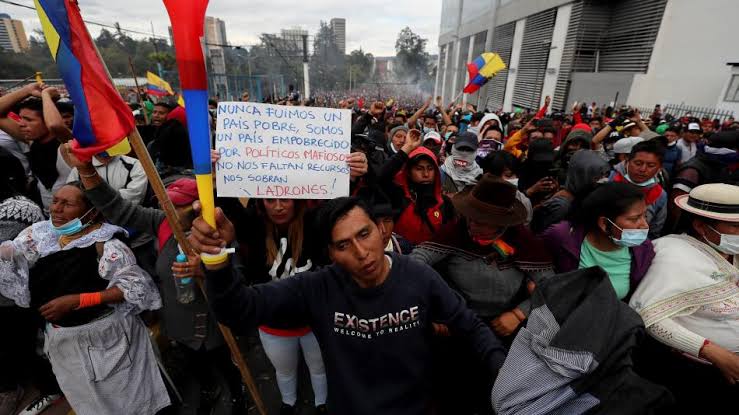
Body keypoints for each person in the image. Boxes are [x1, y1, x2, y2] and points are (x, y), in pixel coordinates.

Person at [188, 196, 508, 415]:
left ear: (381, 230)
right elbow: (238, 310)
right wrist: (218, 258)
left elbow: (470, 326)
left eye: (364, 234)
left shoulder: (419, 277)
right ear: (331, 254)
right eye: (344, 244)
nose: (361, 251)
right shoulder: (317, 287)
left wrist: (507, 377)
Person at [61, 148, 248, 414]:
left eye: (178, 204)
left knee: (227, 363)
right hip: (179, 321)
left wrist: (208, 271)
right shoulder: (163, 223)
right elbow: (118, 208)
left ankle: (238, 393)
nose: (169, 209)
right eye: (167, 203)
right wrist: (87, 172)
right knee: (196, 364)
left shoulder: (217, 234)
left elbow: (239, 279)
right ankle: (208, 390)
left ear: (198, 206)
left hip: (215, 324)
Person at [0, 183, 168, 415]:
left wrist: (79, 300)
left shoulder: (105, 243)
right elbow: (10, 252)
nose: (56, 209)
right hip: (63, 342)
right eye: (55, 201)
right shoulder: (41, 235)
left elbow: (135, 286)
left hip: (108, 340)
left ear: (92, 211)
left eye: (67, 204)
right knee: (92, 404)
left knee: (128, 402)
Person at [629, 183, 739, 411]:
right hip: (702, 374)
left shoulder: (731, 251)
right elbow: (648, 314)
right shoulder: (674, 256)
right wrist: (715, 353)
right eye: (735, 226)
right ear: (700, 225)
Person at [411, 174, 554, 338]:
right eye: (469, 217)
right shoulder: (456, 231)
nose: (471, 224)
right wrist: (438, 304)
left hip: (507, 324)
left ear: (500, 222)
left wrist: (519, 314)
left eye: (479, 221)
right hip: (458, 316)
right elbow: (419, 258)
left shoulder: (524, 242)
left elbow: (551, 287)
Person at [234, 197, 328, 414]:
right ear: (261, 203)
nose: (278, 206)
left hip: (313, 322)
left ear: (297, 200)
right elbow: (231, 208)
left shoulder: (314, 224)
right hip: (273, 326)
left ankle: (321, 404)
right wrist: (215, 176)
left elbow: (341, 201)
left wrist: (354, 175)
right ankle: (289, 404)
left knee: (319, 369)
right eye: (270, 200)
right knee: (284, 371)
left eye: (285, 198)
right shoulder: (254, 229)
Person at [542, 183, 654, 301]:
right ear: (604, 224)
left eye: (644, 216)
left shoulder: (644, 251)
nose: (644, 225)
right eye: (634, 219)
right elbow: (536, 269)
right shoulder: (563, 236)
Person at [0, 84, 72, 211]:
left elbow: (55, 125)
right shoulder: (32, 142)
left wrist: (46, 95)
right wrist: (27, 90)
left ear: (47, 120)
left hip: (75, 218)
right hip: (48, 217)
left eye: (28, 119)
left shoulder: (68, 144)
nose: (21, 124)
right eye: (21, 118)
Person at [382, 137, 455, 245]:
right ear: (408, 172)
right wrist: (406, 149)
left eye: (430, 168)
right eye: (419, 169)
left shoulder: (445, 204)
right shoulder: (397, 196)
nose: (426, 174)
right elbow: (381, 178)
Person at [531, 150, 611, 234]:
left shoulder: (584, 199)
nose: (603, 181)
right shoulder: (561, 207)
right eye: (598, 177)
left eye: (605, 176)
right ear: (582, 176)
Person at [609, 140, 668, 238]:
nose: (643, 169)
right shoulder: (609, 181)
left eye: (651, 165)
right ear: (627, 161)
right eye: (638, 163)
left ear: (659, 168)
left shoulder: (659, 195)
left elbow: (654, 231)